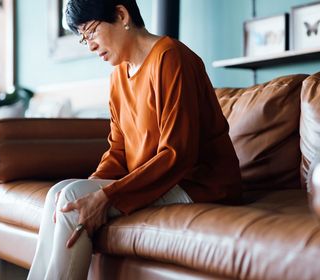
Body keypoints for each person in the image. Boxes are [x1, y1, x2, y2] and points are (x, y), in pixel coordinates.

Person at [27, 0, 242, 279]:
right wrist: (92, 188)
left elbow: (177, 154)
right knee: (60, 194)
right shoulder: (118, 75)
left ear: (121, 14)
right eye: (83, 38)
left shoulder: (171, 57)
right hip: (160, 181)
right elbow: (118, 151)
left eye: (90, 32)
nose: (90, 45)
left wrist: (106, 196)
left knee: (71, 197)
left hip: (200, 184)